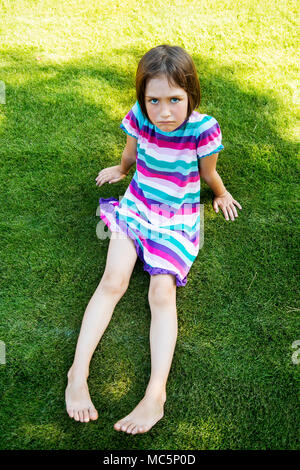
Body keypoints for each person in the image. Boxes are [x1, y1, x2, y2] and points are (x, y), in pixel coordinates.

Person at [65, 44, 242, 435]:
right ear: (142, 99)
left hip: (177, 217)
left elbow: (207, 172)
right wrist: (120, 168)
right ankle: (77, 374)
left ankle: (154, 395)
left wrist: (221, 192)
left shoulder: (202, 128)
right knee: (113, 280)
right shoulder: (140, 119)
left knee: (162, 294)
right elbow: (130, 153)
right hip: (138, 205)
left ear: (190, 96)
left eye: (175, 100)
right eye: (153, 100)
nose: (164, 112)